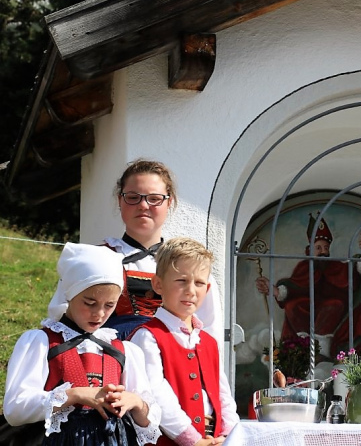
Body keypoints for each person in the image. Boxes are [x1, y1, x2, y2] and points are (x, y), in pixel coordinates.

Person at [47, 159, 222, 342]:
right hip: (111, 355)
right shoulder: (95, 260)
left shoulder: (191, 265)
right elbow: (61, 317)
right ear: (120, 200)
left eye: (154, 199)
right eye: (132, 197)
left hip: (173, 358)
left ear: (169, 202)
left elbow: (210, 332)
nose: (143, 205)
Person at [4, 243, 161, 445]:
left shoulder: (124, 351)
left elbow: (149, 424)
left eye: (109, 305)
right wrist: (75, 395)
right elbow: (16, 409)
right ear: (69, 293)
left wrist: (135, 402)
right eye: (90, 303)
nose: (99, 314)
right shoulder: (42, 343)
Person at [130, 237, 239, 445]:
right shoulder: (148, 337)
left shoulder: (208, 341)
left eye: (199, 283)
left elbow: (223, 395)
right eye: (181, 281)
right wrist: (192, 440)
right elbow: (157, 394)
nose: (191, 290)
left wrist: (228, 436)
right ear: (158, 284)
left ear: (207, 289)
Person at [255, 213, 361, 360]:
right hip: (308, 310)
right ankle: (302, 347)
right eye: (318, 247)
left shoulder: (335, 266)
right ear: (310, 249)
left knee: (334, 305)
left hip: (331, 311)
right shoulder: (304, 267)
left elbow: (356, 272)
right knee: (292, 306)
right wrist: (272, 289)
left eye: (325, 247)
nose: (323, 251)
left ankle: (322, 350)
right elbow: (293, 286)